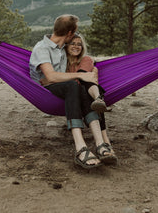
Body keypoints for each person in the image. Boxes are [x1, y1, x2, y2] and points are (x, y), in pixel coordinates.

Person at [29, 14, 116, 169]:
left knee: (80, 86)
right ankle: (80, 148)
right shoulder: (42, 48)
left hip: (66, 87)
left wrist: (91, 69)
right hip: (45, 92)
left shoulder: (63, 48)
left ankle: (101, 143)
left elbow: (80, 61)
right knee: (73, 84)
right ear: (69, 34)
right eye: (75, 32)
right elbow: (50, 77)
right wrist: (79, 75)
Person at [65, 32, 117, 162]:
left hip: (88, 92)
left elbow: (84, 76)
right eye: (73, 43)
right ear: (66, 46)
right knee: (84, 90)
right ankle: (104, 143)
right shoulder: (62, 63)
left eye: (79, 44)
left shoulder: (86, 59)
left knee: (85, 87)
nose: (76, 47)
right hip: (74, 95)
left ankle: (99, 99)